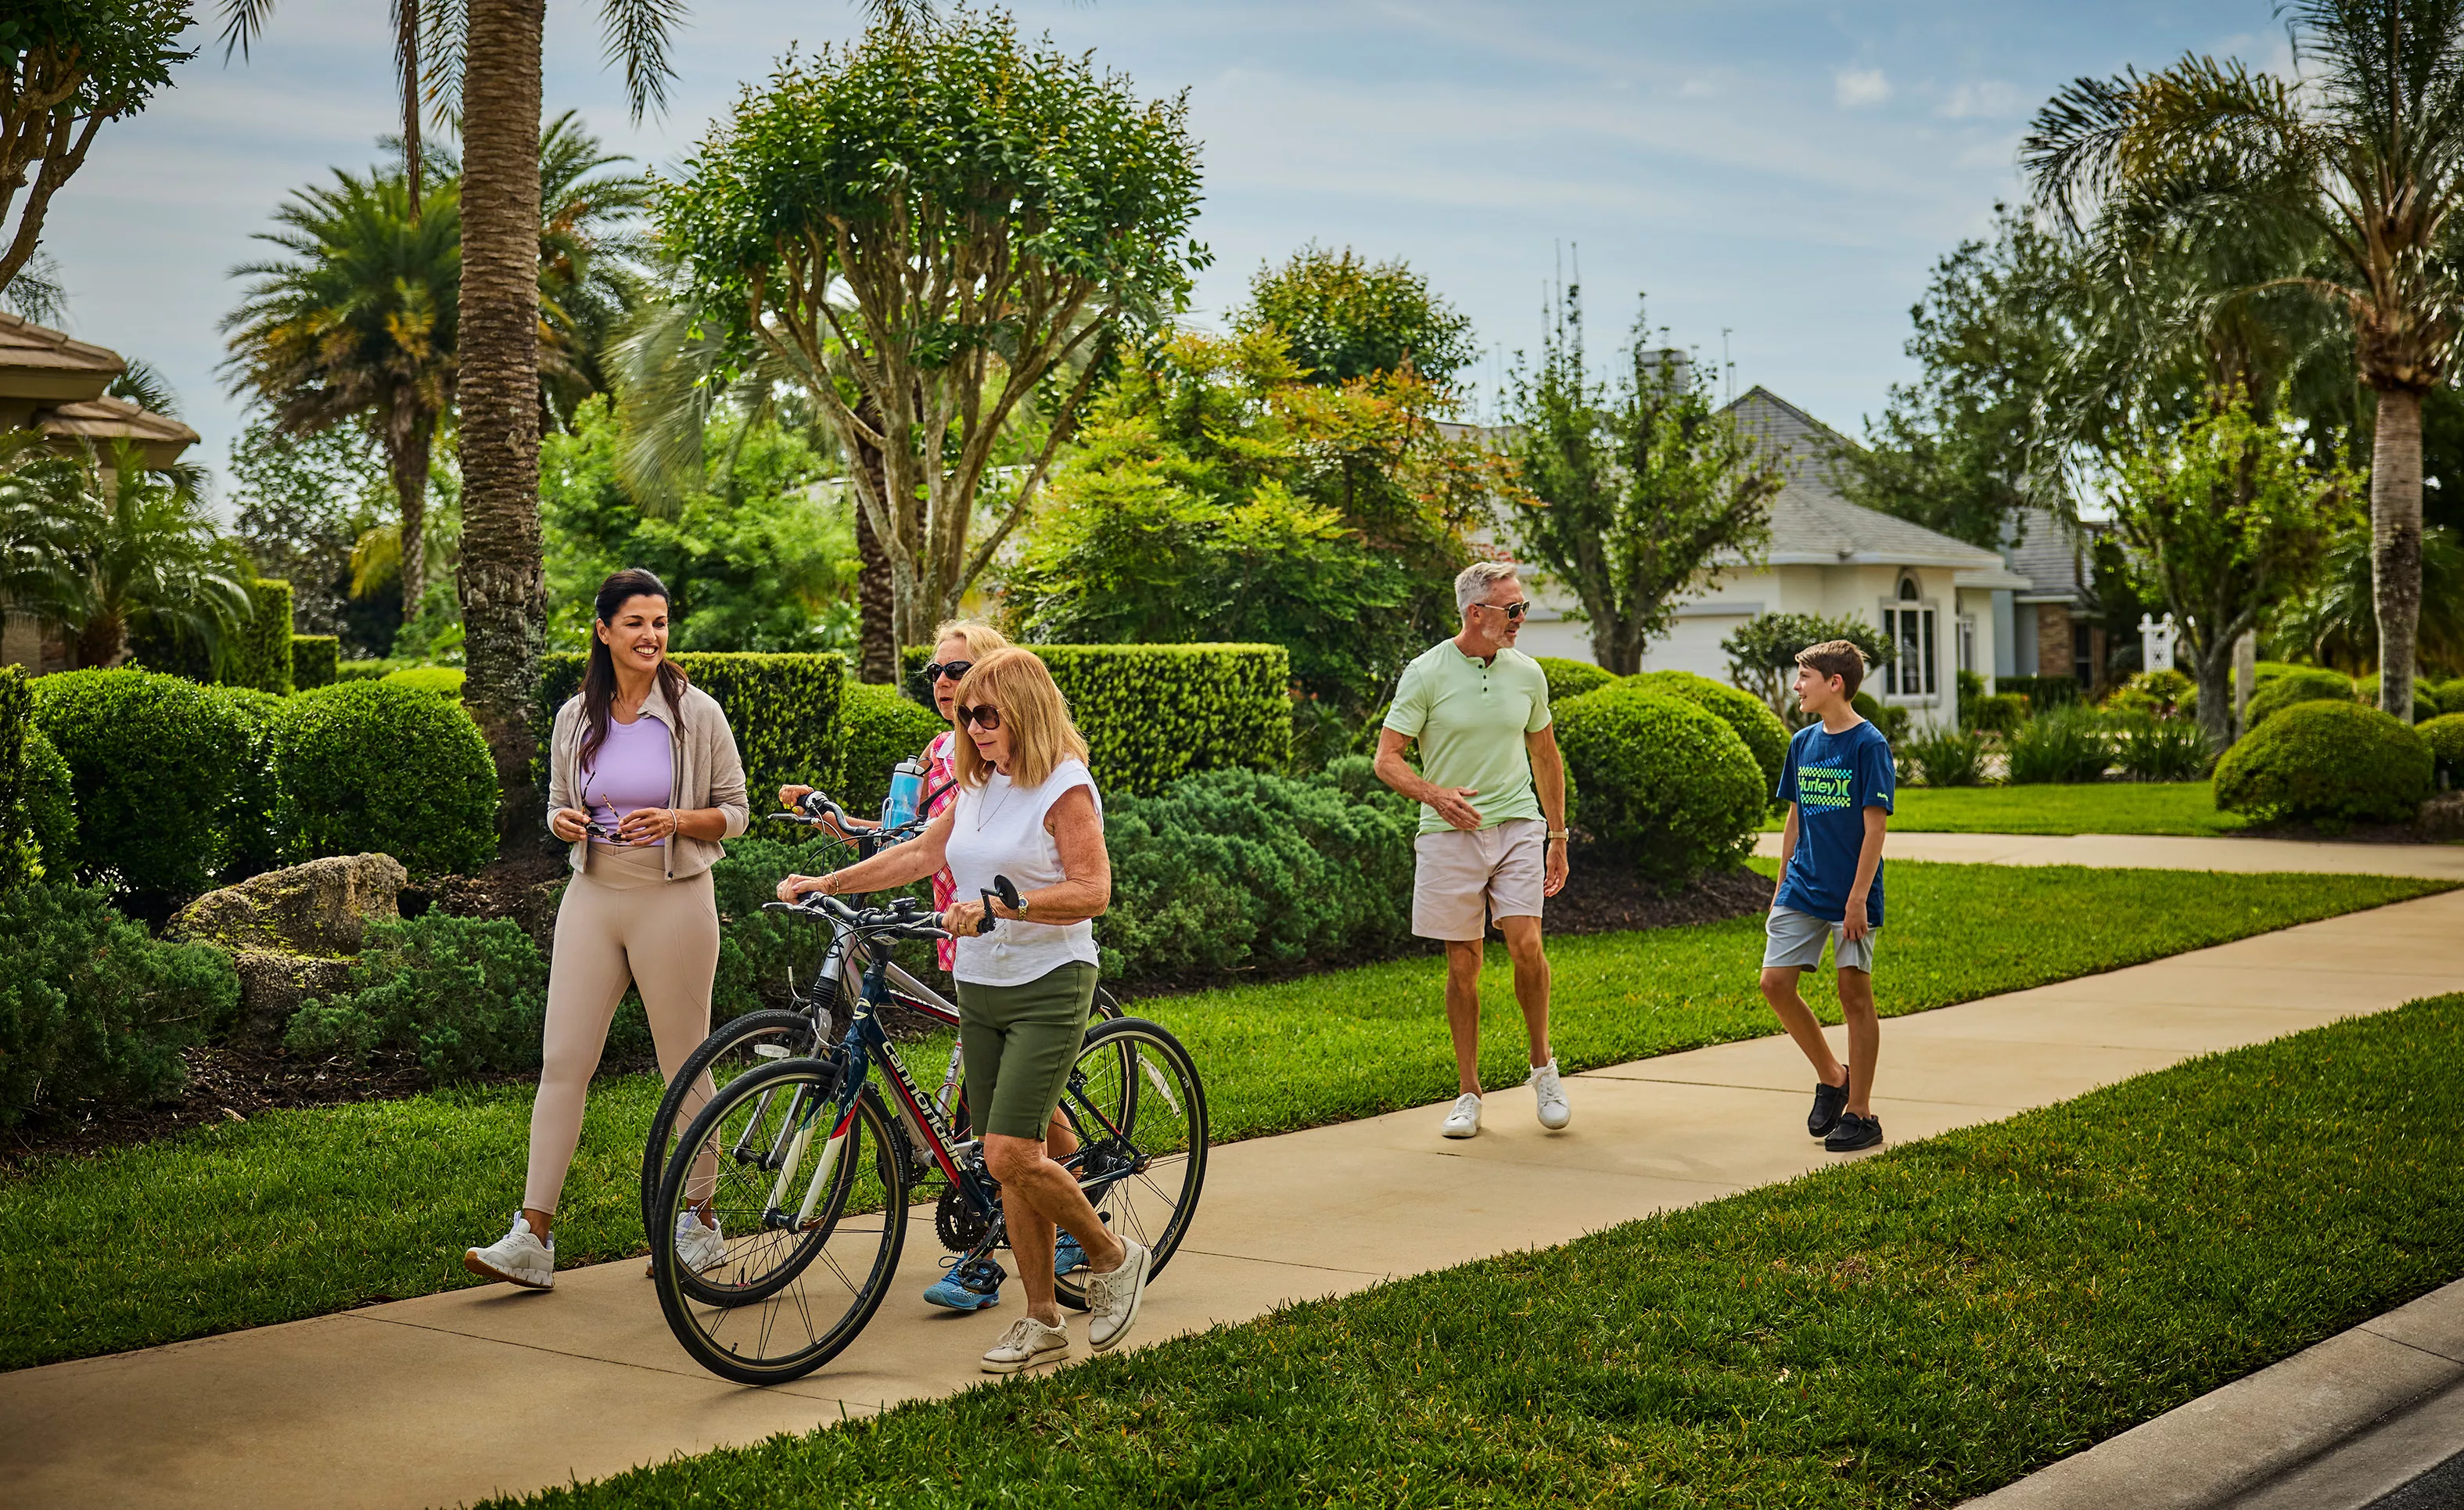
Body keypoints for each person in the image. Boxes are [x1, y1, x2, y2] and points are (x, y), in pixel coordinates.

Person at [774, 648, 1149, 1374]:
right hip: (982, 988)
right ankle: (1040, 1319)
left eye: (986, 713)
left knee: (1012, 1153)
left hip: (1050, 981)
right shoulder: (977, 787)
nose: (971, 727)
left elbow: (1094, 889)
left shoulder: (1065, 787)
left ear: (1026, 711)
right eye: (966, 714)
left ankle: (1112, 1255)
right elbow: (919, 855)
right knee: (1008, 1167)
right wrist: (831, 880)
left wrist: (1009, 906)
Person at [462, 570, 751, 1292]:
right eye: (635, 623)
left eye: (660, 621)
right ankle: (532, 1236)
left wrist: (679, 820)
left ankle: (701, 1224)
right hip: (593, 894)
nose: (651, 635)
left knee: (682, 1063)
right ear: (603, 631)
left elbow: (735, 811)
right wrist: (561, 821)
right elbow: (563, 804)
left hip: (673, 898)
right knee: (563, 1061)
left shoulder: (697, 714)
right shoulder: (574, 718)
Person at [1374, 559, 1572, 1141]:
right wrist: (1435, 796)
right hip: (1448, 833)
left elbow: (1545, 756)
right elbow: (1387, 759)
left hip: (1516, 825)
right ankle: (1469, 1091)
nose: (1520, 619)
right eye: (1512, 610)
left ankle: (1543, 1068)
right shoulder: (1426, 671)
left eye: (1523, 609)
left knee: (1526, 943)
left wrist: (1557, 837)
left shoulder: (1527, 673)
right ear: (1475, 613)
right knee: (1463, 965)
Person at [1760, 638, 1893, 1154]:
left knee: (1853, 994)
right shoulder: (1803, 742)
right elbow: (1795, 817)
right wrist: (1779, 887)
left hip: (1850, 896)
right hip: (1802, 886)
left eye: (1804, 677)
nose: (1797, 686)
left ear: (1834, 683)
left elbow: (1875, 829)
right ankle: (1832, 1076)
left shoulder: (1868, 745)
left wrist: (1857, 898)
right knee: (1774, 983)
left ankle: (1861, 1112)